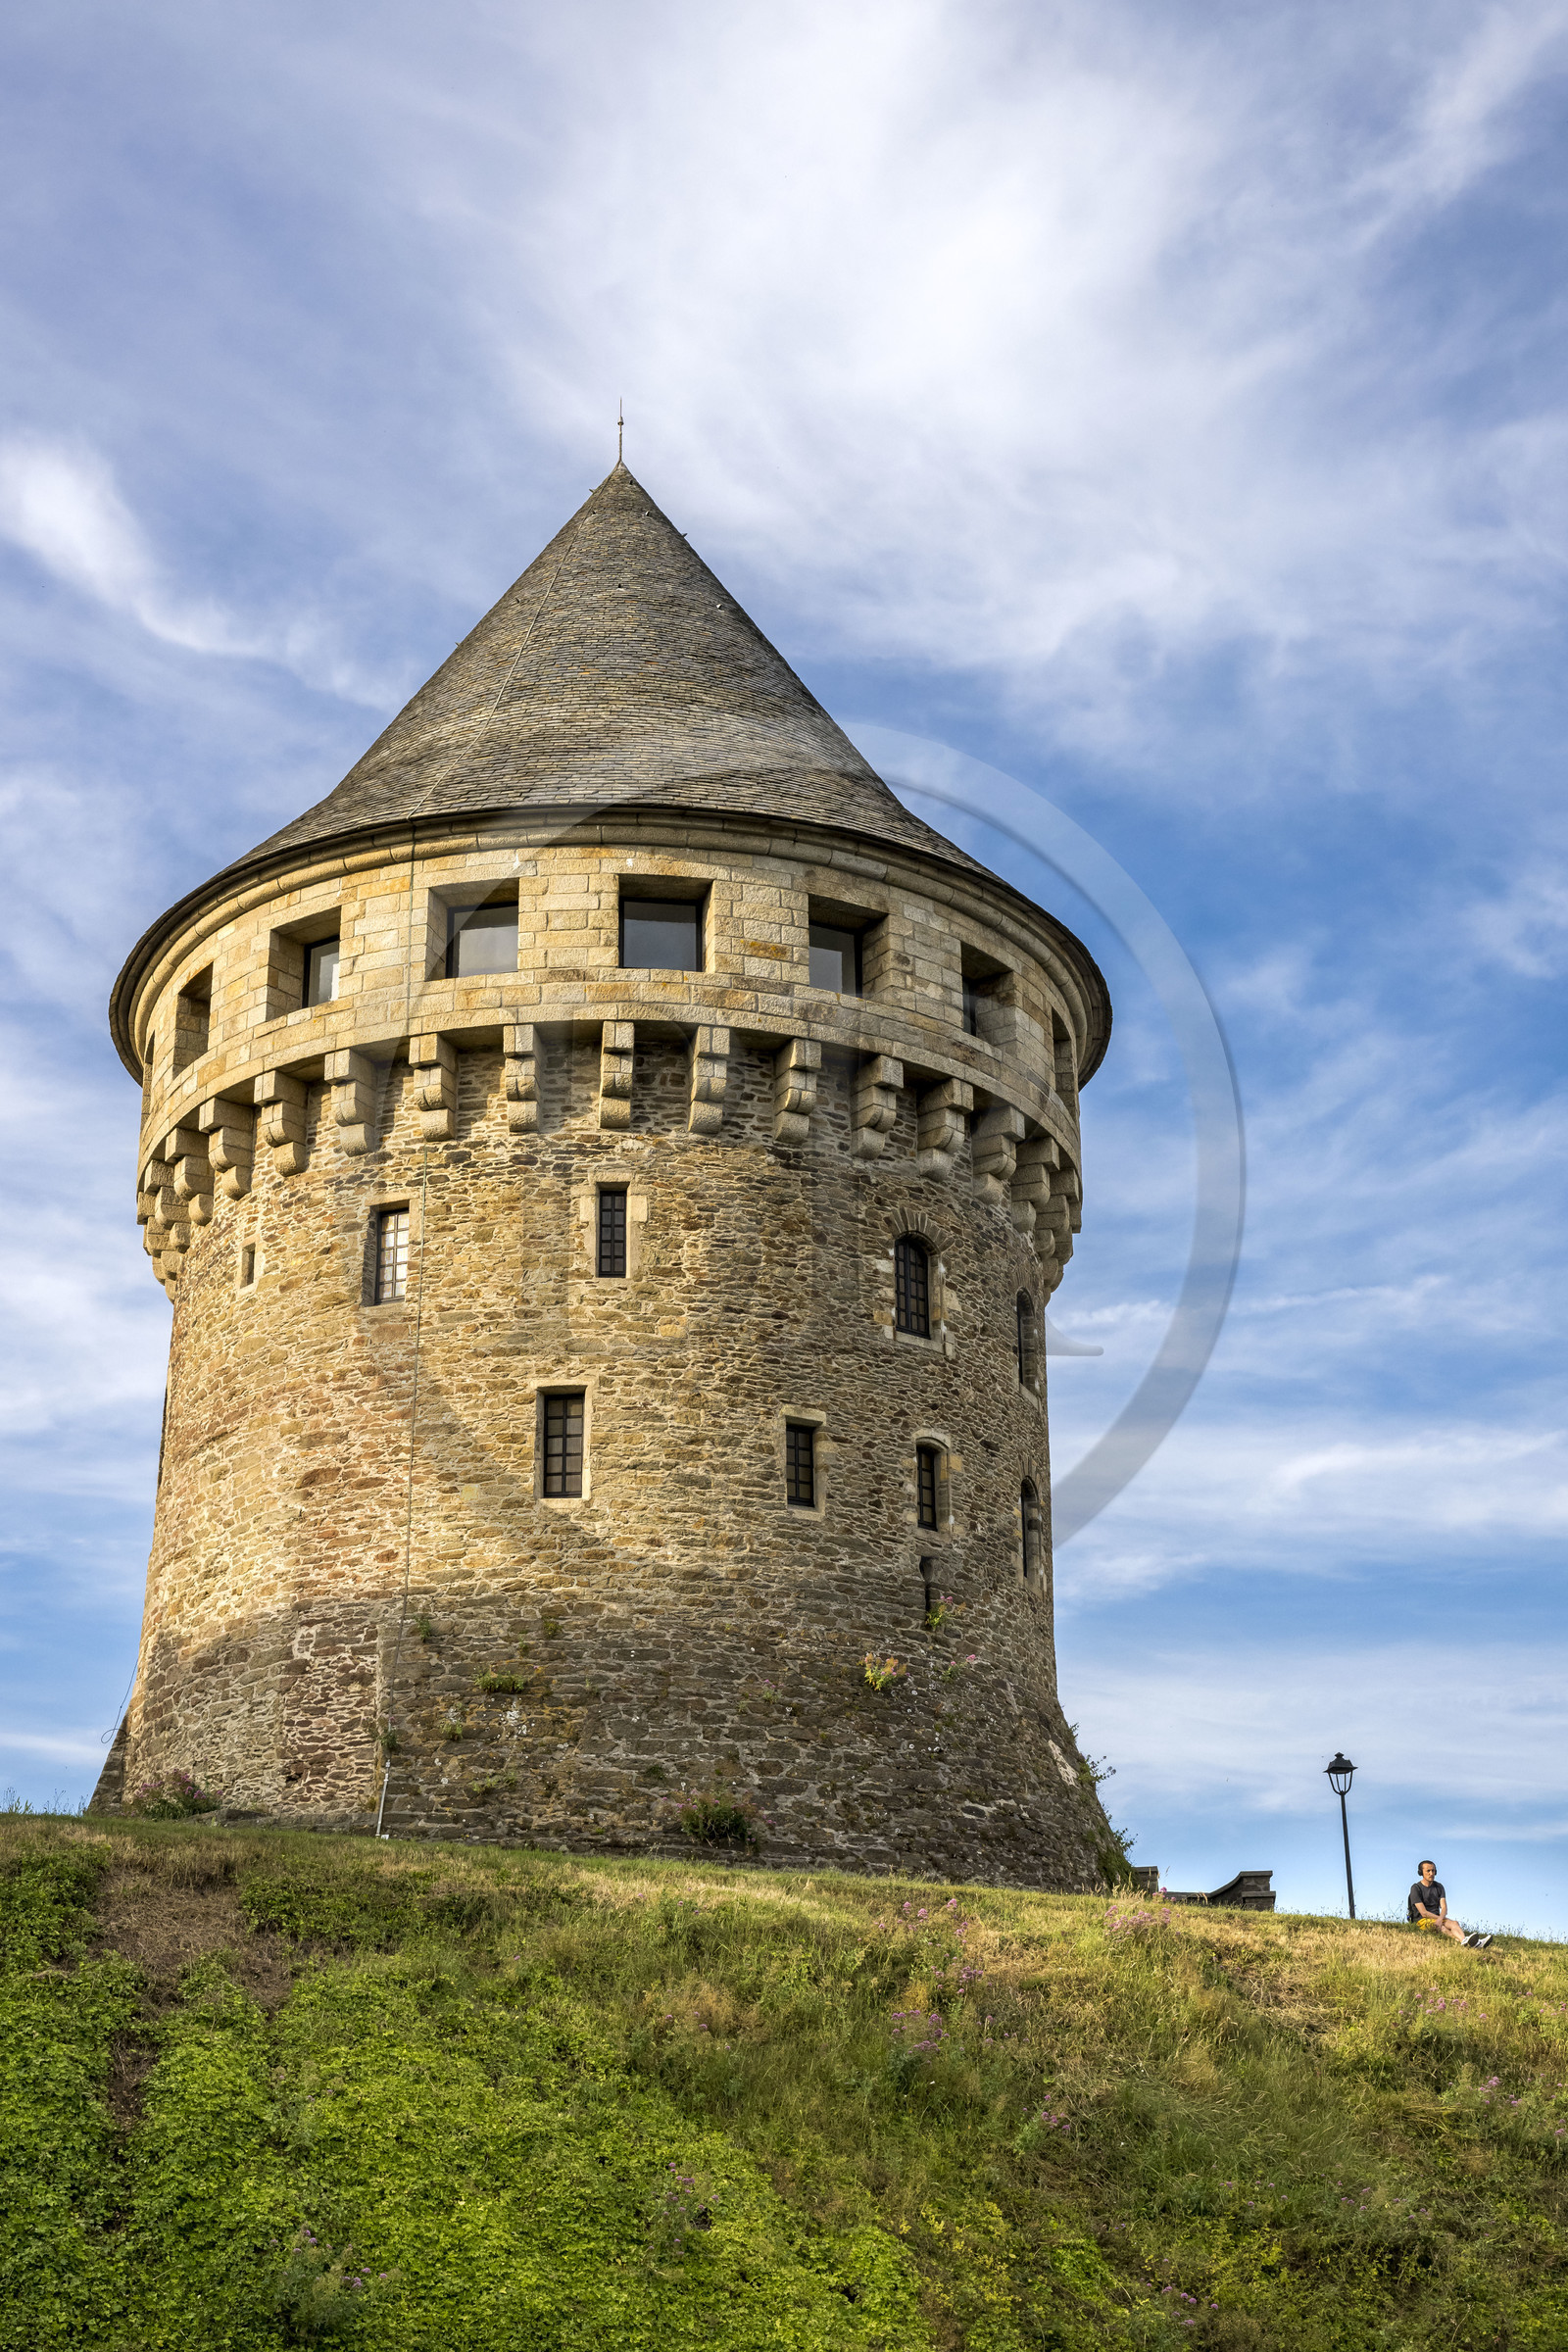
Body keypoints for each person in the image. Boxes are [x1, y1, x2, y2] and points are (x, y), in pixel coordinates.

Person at [1407, 1860, 1492, 1947]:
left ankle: (1467, 1941)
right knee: (1442, 1927)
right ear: (1421, 1872)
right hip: (1421, 1920)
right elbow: (1423, 1913)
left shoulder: (1439, 1887)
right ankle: (1472, 1943)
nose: (1431, 1873)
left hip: (1437, 1918)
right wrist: (1439, 1919)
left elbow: (1444, 1908)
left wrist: (1440, 1919)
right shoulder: (1415, 1888)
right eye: (1428, 1871)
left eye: (1433, 1870)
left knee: (1454, 1923)